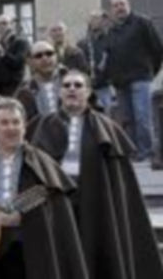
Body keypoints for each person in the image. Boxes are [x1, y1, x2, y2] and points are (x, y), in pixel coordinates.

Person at [30, 70, 163, 279]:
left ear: (89, 92)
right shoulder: (44, 125)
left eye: (78, 85)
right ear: (59, 92)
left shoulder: (106, 127)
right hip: (58, 205)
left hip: (98, 204)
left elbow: (120, 182)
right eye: (66, 86)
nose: (72, 89)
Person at [0, 98, 88, 279]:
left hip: (28, 249)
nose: (10, 128)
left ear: (24, 127)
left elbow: (55, 207)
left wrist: (22, 218)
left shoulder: (41, 163)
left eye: (16, 122)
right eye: (4, 123)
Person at [105, 0, 163, 162]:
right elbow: (110, 56)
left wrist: (151, 70)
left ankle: (146, 152)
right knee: (127, 119)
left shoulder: (142, 22)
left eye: (122, 4)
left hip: (140, 77)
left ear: (128, 5)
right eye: (115, 6)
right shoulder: (113, 30)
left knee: (142, 116)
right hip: (120, 82)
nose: (119, 8)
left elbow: (157, 48)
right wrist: (111, 78)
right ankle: (133, 151)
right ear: (111, 10)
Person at [14, 41, 65, 124]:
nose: (45, 58)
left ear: (56, 56)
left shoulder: (74, 83)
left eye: (49, 54)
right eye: (38, 56)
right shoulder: (25, 92)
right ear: (30, 61)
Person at [77, 10, 112, 112]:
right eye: (93, 19)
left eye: (98, 19)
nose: (96, 21)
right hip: (88, 86)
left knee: (106, 115)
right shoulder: (82, 43)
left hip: (105, 85)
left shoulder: (109, 40)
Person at [0, 15, 30, 97]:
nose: (1, 27)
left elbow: (18, 62)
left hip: (14, 89)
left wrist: (2, 54)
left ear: (12, 25)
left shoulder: (21, 42)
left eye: (4, 23)